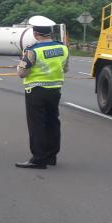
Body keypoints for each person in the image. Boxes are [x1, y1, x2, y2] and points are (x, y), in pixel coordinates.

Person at [15, 16, 69, 169]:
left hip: (36, 91)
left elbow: (22, 73)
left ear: (35, 33)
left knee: (37, 124)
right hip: (55, 90)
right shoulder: (63, 47)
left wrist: (19, 65)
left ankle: (38, 159)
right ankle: (51, 156)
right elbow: (65, 68)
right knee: (52, 122)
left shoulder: (32, 51)